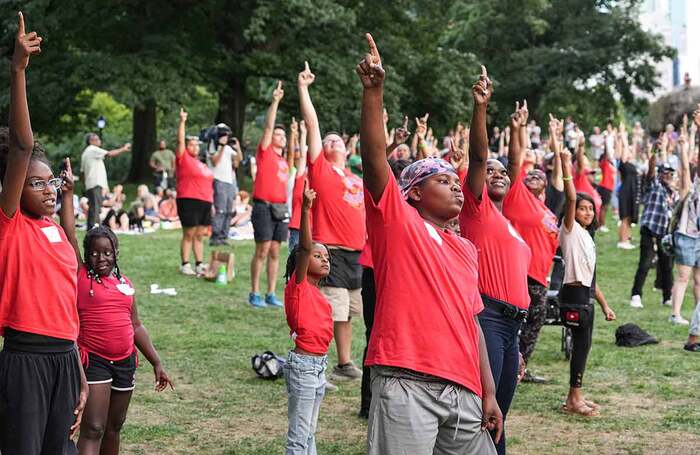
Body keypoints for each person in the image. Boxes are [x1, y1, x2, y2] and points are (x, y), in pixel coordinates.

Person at [357, 34, 500, 455]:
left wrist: (488, 391)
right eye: (443, 181)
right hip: (407, 380)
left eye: (457, 184)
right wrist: (374, 93)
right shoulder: (397, 223)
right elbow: (373, 159)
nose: (457, 189)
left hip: (464, 391)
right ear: (414, 193)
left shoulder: (465, 249)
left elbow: (472, 323)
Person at [0, 13, 88, 452]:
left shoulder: (52, 231)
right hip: (26, 358)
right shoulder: (9, 222)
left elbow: (66, 306)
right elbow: (21, 144)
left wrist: (77, 370)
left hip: (64, 358)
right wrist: (17, 71)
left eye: (50, 180)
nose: (48, 188)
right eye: (36, 182)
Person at [57, 164, 173, 454]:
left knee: (114, 427)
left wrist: (156, 361)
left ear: (116, 253)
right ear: (86, 254)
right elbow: (69, 232)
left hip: (125, 361)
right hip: (94, 360)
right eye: (94, 253)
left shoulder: (125, 284)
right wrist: (69, 195)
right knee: (93, 427)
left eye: (107, 252)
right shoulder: (81, 275)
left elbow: (135, 325)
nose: (101, 258)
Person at [299, 61, 366, 381]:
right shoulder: (321, 170)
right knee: (330, 311)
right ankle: (318, 368)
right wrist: (304, 89)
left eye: (337, 140)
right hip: (332, 251)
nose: (331, 142)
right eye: (327, 141)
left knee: (349, 313)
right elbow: (313, 126)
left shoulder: (355, 177)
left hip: (357, 254)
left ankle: (343, 363)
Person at [558, 147, 616, 417]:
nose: (587, 212)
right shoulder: (569, 230)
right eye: (582, 208)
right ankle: (573, 400)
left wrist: (604, 306)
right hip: (573, 295)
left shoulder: (587, 238)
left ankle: (575, 395)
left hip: (587, 297)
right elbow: (570, 199)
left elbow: (593, 280)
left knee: (585, 346)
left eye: (590, 208)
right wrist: (565, 164)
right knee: (580, 347)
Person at [504, 109, 560, 385]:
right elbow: (516, 162)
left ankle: (520, 367)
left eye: (540, 174)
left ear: (547, 186)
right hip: (517, 272)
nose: (534, 175)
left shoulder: (549, 211)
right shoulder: (517, 197)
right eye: (531, 174)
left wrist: (558, 145)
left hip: (539, 277)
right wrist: (518, 129)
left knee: (533, 326)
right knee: (510, 322)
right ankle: (505, 366)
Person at [282, 183, 332, 455]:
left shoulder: (317, 293)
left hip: (319, 366)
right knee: (299, 436)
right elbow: (303, 247)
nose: (325, 260)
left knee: (310, 431)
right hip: (304, 367)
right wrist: (306, 210)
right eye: (318, 255)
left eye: (326, 256)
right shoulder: (297, 287)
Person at [249, 81, 289, 308]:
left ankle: (271, 293)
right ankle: (254, 292)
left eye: (283, 136)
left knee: (275, 251)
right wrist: (275, 101)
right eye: (278, 134)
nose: (280, 137)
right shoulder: (265, 152)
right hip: (263, 206)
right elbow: (267, 128)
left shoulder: (284, 160)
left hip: (280, 208)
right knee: (262, 250)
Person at [629, 145, 679, 310]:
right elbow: (650, 172)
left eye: (671, 174)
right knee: (645, 263)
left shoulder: (674, 194)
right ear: (660, 174)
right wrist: (654, 154)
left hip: (664, 234)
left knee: (666, 266)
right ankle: (636, 295)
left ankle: (667, 297)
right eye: (665, 173)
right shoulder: (654, 186)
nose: (668, 176)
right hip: (649, 230)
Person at [175, 108, 214, 276]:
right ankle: (185, 264)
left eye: (197, 145)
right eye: (191, 144)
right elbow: (180, 142)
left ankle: (199, 263)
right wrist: (182, 121)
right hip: (188, 200)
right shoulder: (183, 159)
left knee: (200, 235)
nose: (195, 147)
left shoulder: (203, 164)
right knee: (189, 233)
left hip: (205, 202)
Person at [81, 135, 131, 229]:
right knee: (96, 207)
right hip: (96, 183)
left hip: (90, 183)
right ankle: (95, 227)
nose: (100, 141)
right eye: (97, 139)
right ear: (91, 141)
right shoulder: (93, 149)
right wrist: (123, 149)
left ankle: (91, 227)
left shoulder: (85, 153)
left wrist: (85, 184)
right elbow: (110, 154)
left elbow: (82, 172)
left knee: (93, 206)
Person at [209, 128, 241, 246]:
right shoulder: (213, 147)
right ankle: (215, 236)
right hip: (219, 181)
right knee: (220, 210)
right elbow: (215, 162)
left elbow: (238, 160)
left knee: (228, 211)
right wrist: (221, 146)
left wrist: (238, 148)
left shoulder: (228, 148)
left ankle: (223, 236)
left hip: (229, 182)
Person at [288, 119, 309, 252]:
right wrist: (303, 134)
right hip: (297, 225)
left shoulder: (321, 179)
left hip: (314, 228)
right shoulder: (301, 175)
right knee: (295, 262)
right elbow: (301, 156)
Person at [617, 138, 639, 249]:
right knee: (625, 217)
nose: (630, 152)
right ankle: (623, 241)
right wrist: (624, 140)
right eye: (628, 150)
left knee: (629, 218)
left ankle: (627, 238)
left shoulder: (631, 164)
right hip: (626, 193)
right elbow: (624, 153)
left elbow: (633, 151)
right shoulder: (623, 165)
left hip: (631, 193)